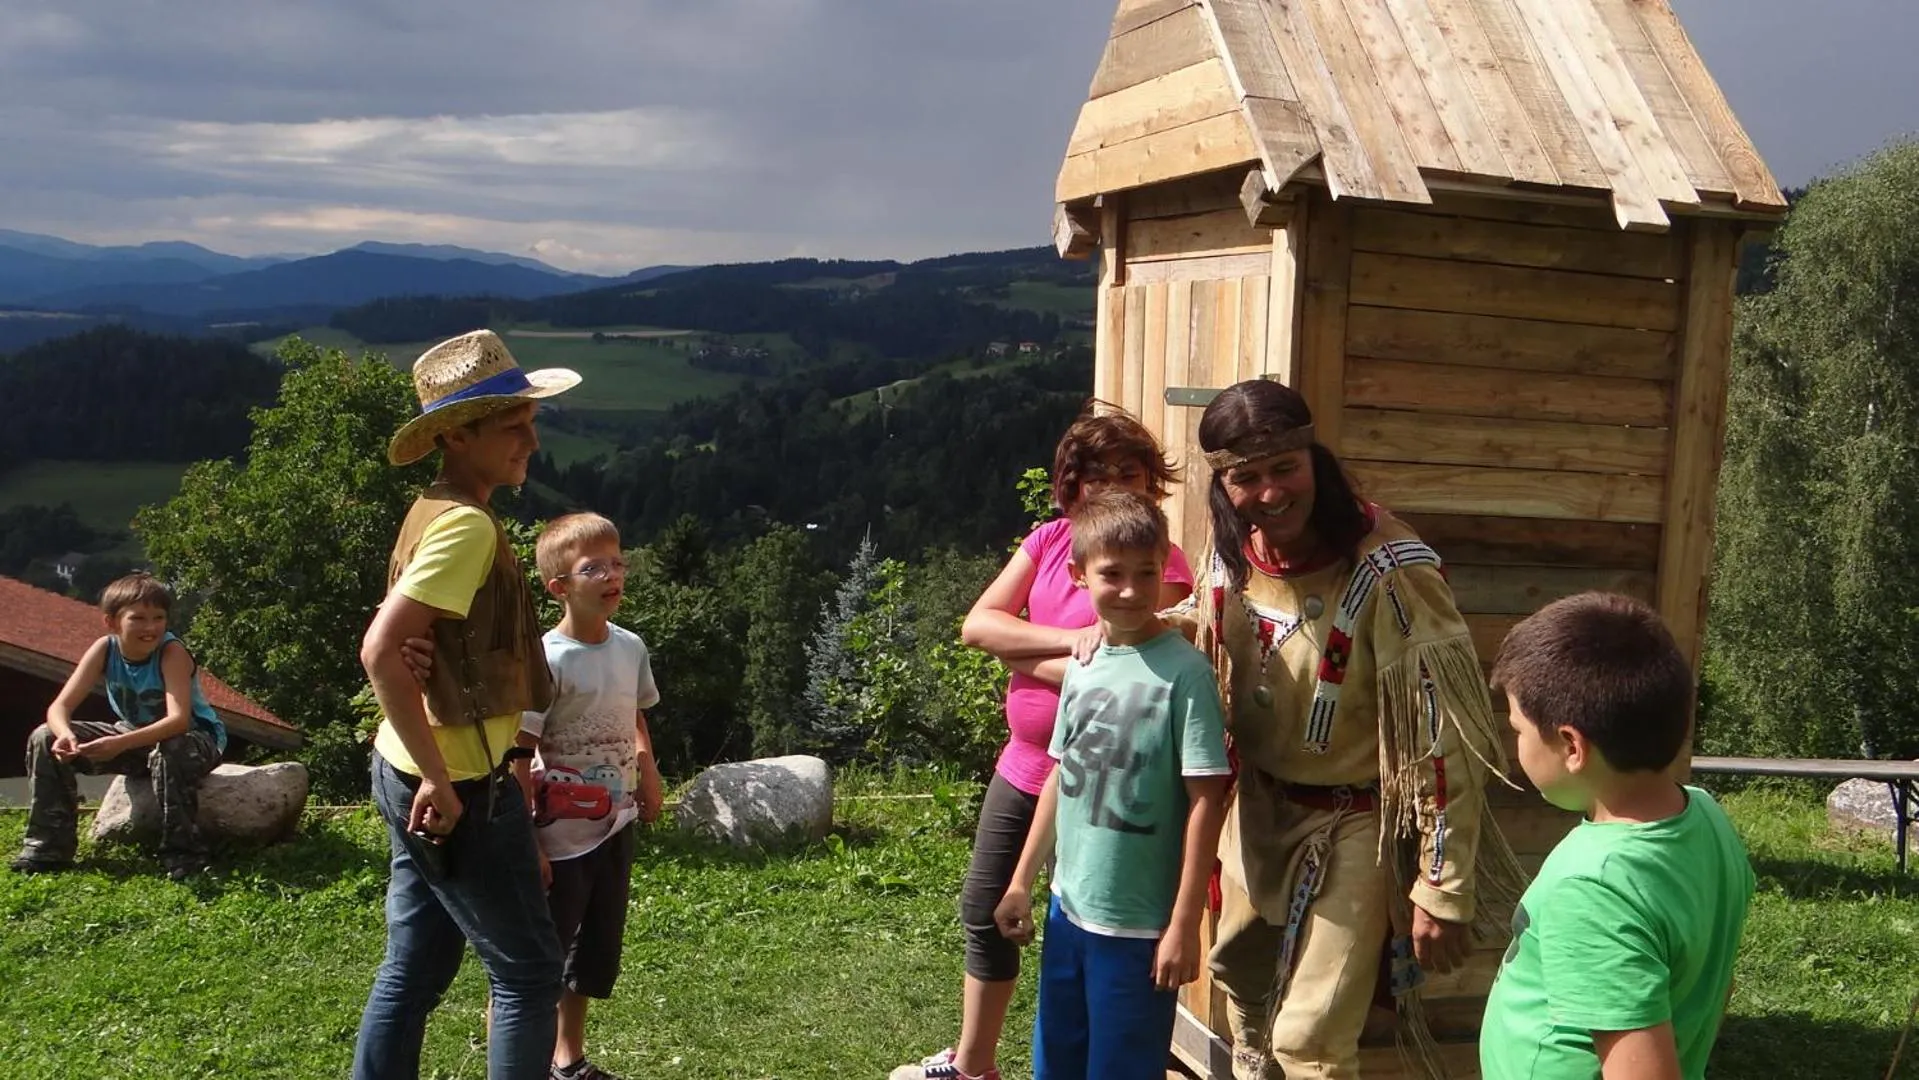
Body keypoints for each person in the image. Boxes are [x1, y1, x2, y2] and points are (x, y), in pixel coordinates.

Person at [1168, 379, 1525, 1080]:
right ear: (1222, 483)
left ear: (1315, 462)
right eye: (1245, 477)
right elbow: (1207, 636)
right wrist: (1127, 640)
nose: (1270, 493)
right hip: (1258, 810)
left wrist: (1439, 884)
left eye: (1284, 469)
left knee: (1310, 1039)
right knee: (1241, 977)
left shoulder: (1390, 568)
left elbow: (1443, 729)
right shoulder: (1233, 549)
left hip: (1352, 823)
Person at [894, 406, 1195, 1080]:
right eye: (1094, 474)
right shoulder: (1050, 540)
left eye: (1129, 471)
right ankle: (974, 1066)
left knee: (1089, 921)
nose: (1113, 484)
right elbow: (979, 627)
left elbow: (1138, 652)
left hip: (1102, 777)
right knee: (986, 905)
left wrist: (1025, 654)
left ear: (1152, 481)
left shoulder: (1156, 557)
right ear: (1070, 484)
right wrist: (1071, 644)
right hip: (1027, 762)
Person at [352, 328, 579, 1080]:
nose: (531, 442)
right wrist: (442, 782)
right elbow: (383, 649)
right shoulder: (468, 526)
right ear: (455, 435)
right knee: (528, 972)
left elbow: (406, 636)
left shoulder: (431, 507)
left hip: (404, 766)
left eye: (531, 422)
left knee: (415, 967)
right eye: (514, 426)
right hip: (455, 784)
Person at [992, 489, 1232, 1080]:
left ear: (1163, 570)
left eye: (1146, 573)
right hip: (1068, 913)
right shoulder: (1083, 663)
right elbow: (1060, 777)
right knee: (1057, 1062)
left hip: (1140, 929)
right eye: (1112, 574)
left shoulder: (1187, 675)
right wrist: (1023, 881)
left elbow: (1207, 800)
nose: (1130, 589)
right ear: (1078, 576)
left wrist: (1183, 924)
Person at [1481, 593, 1752, 1080]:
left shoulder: (1593, 888)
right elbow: (1714, 980)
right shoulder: (1706, 818)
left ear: (1571, 745)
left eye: (1518, 729)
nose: (1515, 743)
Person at [514, 512, 664, 1080]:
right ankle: (517, 1060)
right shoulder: (546, 659)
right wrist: (530, 843)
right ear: (559, 587)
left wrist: (647, 772)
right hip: (560, 837)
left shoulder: (630, 647)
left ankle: (567, 1060)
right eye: (592, 567)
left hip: (614, 825)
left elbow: (635, 716)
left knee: (589, 953)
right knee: (536, 963)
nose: (612, 574)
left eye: (618, 561)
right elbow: (519, 753)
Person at [10, 572, 228, 880]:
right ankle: (47, 849)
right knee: (44, 737)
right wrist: (66, 735)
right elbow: (59, 707)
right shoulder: (104, 649)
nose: (150, 627)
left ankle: (183, 855)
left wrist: (119, 745)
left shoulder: (171, 652)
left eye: (158, 617)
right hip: (133, 735)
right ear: (111, 622)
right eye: (137, 618)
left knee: (170, 749)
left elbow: (178, 721)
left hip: (194, 739)